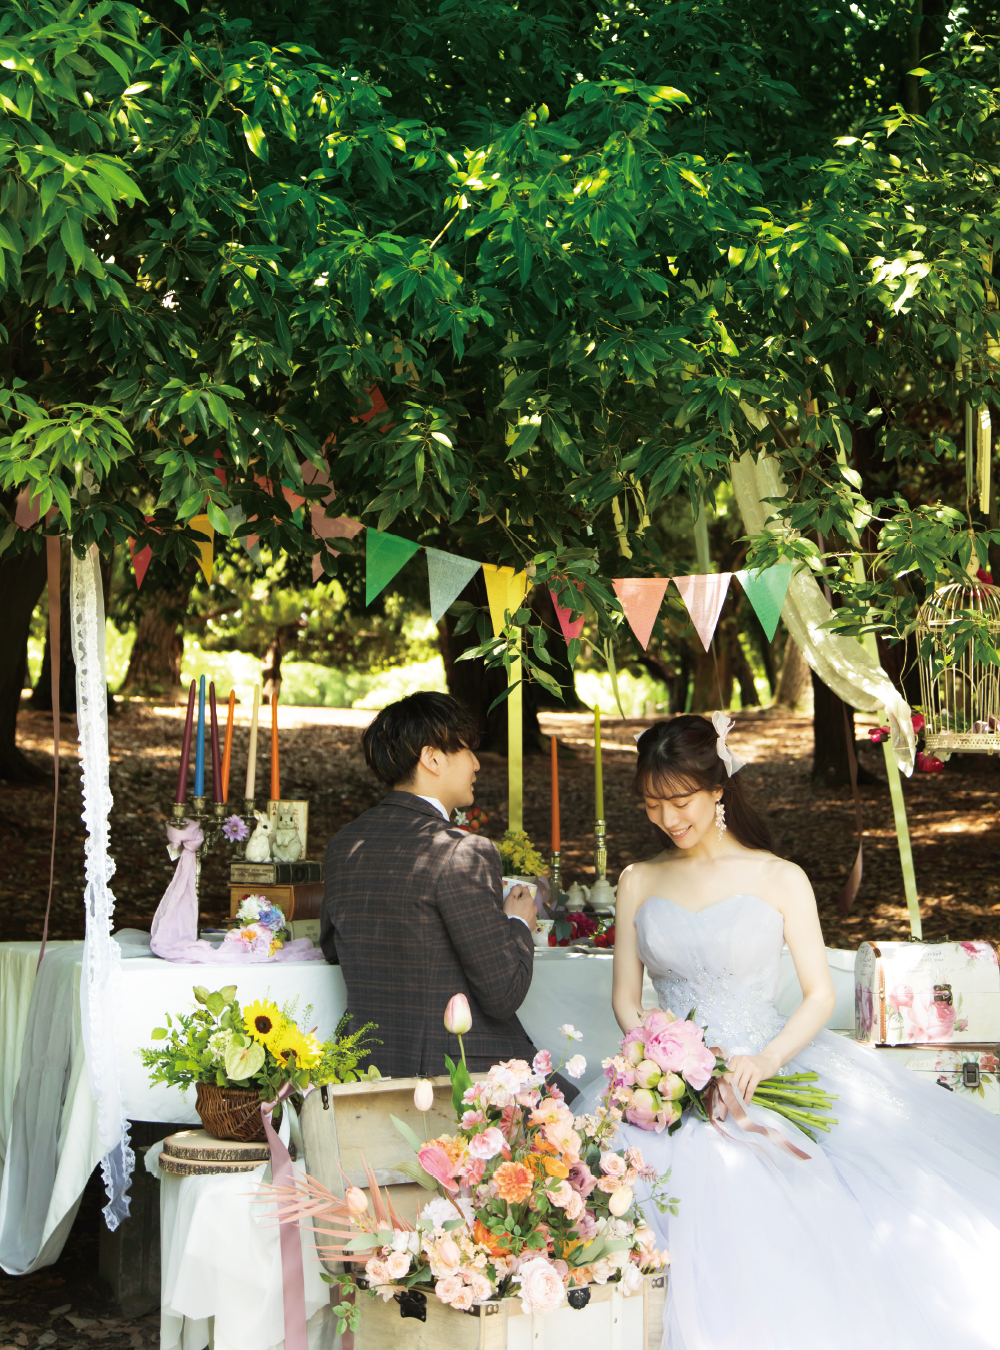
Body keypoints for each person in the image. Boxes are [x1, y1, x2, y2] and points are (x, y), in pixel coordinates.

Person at [597, 712, 1000, 1350]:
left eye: (681, 801)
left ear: (718, 789)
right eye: (653, 805)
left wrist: (764, 1060)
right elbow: (625, 1000)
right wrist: (663, 1059)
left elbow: (819, 994)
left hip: (769, 1065)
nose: (669, 819)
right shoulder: (638, 881)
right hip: (664, 1080)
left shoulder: (780, 876)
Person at [321, 691, 575, 1094]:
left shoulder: (344, 845)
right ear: (432, 758)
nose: (476, 763)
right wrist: (516, 922)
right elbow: (503, 992)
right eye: (467, 751)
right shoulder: (461, 850)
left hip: (367, 1073)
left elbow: (334, 949)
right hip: (460, 1079)